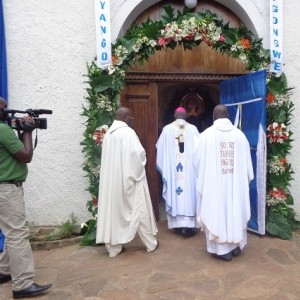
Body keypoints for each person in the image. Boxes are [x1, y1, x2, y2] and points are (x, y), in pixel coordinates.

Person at [0, 97, 52, 298]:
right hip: (7, 189)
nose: (7, 112)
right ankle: (22, 284)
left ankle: (4, 271)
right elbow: (26, 155)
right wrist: (28, 131)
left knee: (9, 230)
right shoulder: (3, 130)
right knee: (17, 234)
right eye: (3, 109)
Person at [193, 104, 254, 261]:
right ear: (227, 115)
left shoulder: (206, 136)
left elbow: (197, 162)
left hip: (214, 186)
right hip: (235, 186)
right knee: (235, 209)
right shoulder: (240, 136)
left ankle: (223, 250)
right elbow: (248, 166)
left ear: (214, 116)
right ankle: (235, 247)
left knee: (217, 211)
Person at [96, 107, 158, 257]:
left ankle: (114, 248)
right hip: (130, 179)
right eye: (132, 118)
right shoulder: (128, 133)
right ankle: (150, 243)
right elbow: (138, 155)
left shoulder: (109, 135)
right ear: (126, 118)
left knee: (114, 212)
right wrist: (138, 171)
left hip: (112, 182)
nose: (134, 121)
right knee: (140, 210)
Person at [156, 106, 200, 237]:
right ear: (186, 116)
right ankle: (189, 225)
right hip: (190, 172)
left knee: (176, 193)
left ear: (174, 115)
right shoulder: (193, 129)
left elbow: (160, 148)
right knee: (190, 194)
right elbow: (200, 150)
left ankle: (177, 224)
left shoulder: (167, 130)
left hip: (173, 172)